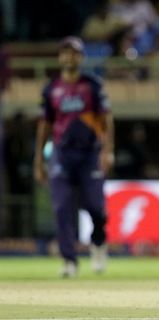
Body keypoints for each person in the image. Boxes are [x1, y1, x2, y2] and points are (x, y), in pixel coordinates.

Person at [33, 36, 114, 277]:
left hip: (90, 154)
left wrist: (108, 150)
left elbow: (107, 120)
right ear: (60, 57)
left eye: (74, 53)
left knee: (96, 208)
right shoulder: (51, 89)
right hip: (61, 154)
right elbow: (44, 125)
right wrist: (38, 159)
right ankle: (69, 261)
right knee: (61, 208)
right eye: (65, 53)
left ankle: (98, 244)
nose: (69, 57)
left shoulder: (93, 85)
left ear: (81, 57)